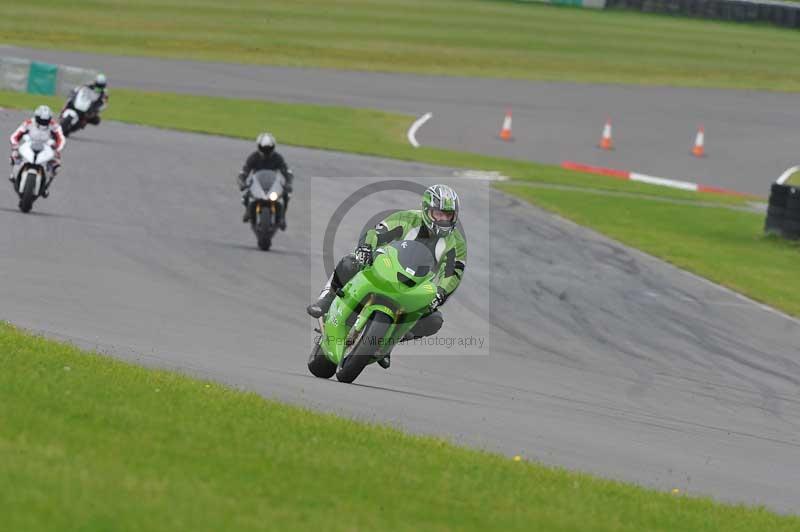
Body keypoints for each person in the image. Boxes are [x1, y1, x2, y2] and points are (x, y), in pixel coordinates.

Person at [306, 184, 466, 368]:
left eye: (448, 215)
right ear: (426, 210)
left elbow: (453, 273)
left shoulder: (457, 243)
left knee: (434, 320)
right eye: (439, 214)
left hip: (415, 286)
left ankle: (389, 342)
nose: (443, 219)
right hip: (385, 268)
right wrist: (366, 247)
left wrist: (440, 292)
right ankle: (326, 299)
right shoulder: (407, 218)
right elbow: (377, 232)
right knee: (350, 262)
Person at [237, 133, 294, 229]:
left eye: (268, 148)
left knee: (286, 195)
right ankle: (248, 211)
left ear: (273, 147)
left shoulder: (277, 158)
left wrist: (288, 183)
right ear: (259, 146)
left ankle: (282, 217)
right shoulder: (254, 157)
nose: (266, 151)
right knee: (246, 194)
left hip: (273, 183)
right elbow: (244, 171)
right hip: (257, 183)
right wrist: (242, 181)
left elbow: (286, 171)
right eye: (264, 148)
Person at [9, 105, 66, 197]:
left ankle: (46, 187)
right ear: (36, 117)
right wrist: (15, 145)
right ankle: (14, 174)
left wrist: (58, 149)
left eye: (46, 121)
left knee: (56, 167)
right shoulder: (28, 123)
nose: (43, 122)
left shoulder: (54, 126)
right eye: (41, 120)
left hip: (47, 148)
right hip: (29, 145)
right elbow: (15, 135)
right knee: (14, 156)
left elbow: (61, 139)